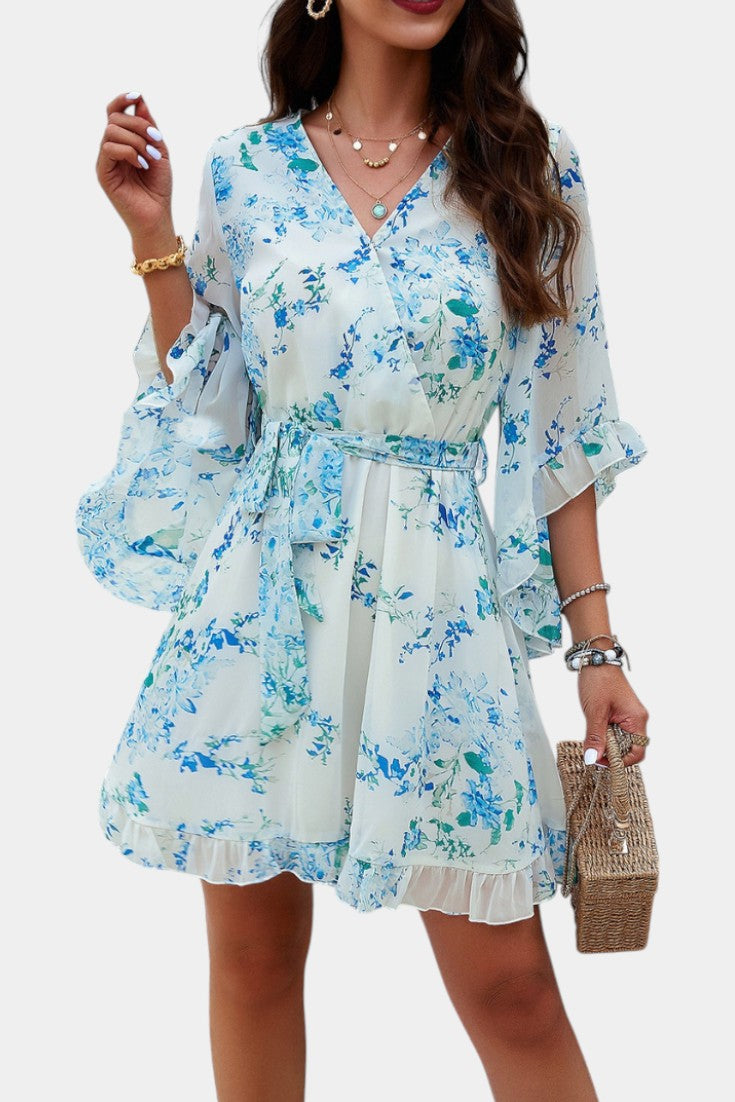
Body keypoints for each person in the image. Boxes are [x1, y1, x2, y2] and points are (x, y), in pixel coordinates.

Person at [76, 1, 651, 1099]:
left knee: (514, 991)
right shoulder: (244, 170)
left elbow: (565, 429)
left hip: (439, 617)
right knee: (253, 966)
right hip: (266, 606)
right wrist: (151, 236)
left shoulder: (526, 167)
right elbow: (211, 407)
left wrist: (597, 650)